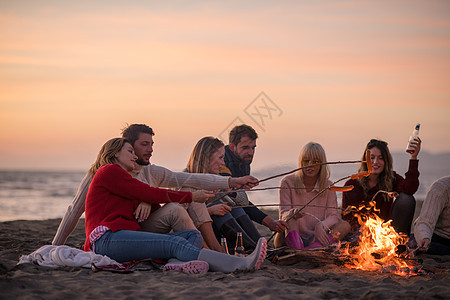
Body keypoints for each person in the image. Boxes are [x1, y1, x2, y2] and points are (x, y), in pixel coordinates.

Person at [84, 137, 268, 274]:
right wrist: (191, 196)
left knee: (191, 235)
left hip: (122, 236)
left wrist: (232, 181)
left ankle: (176, 264)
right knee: (174, 242)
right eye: (130, 152)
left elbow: (148, 195)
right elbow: (149, 192)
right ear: (115, 153)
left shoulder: (124, 178)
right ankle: (238, 264)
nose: (135, 156)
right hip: (106, 239)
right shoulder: (109, 170)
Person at [52, 124, 258, 246]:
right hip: (119, 234)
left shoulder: (152, 171)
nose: (150, 149)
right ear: (127, 146)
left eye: (152, 144)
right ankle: (211, 254)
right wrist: (55, 246)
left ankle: (212, 253)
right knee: (183, 201)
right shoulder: (101, 172)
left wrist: (232, 181)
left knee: (188, 192)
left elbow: (192, 178)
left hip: (147, 228)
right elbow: (74, 210)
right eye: (144, 144)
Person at [182, 136, 263, 252]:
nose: (223, 163)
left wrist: (230, 191)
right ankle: (252, 248)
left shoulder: (217, 178)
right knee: (218, 210)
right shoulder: (186, 180)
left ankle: (257, 244)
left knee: (234, 207)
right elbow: (181, 217)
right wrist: (210, 210)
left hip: (219, 233)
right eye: (220, 158)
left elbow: (244, 202)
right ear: (207, 158)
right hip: (199, 234)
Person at [276, 142, 351, 249]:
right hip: (289, 236)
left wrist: (321, 226)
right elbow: (283, 214)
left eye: (316, 161)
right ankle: (299, 251)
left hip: (316, 237)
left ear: (322, 164)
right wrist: (292, 213)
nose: (310, 165)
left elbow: (333, 216)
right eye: (306, 161)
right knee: (290, 218)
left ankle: (314, 249)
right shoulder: (287, 182)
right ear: (301, 162)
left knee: (345, 225)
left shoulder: (328, 185)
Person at [220, 124, 287, 241]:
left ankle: (256, 245)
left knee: (238, 207)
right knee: (236, 208)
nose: (250, 152)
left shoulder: (243, 162)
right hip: (212, 206)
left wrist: (271, 222)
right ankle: (257, 245)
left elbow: (240, 200)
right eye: (245, 148)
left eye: (253, 147)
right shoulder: (223, 162)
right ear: (232, 147)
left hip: (230, 205)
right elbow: (236, 198)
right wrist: (269, 222)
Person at [341, 138, 421, 236]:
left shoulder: (392, 179)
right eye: (372, 157)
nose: (375, 162)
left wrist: (413, 157)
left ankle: (399, 243)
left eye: (380, 158)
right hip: (360, 235)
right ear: (365, 160)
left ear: (386, 161)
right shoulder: (352, 185)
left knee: (406, 199)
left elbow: (410, 189)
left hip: (386, 234)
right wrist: (363, 230)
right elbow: (346, 217)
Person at [413, 175, 450, 255]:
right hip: (438, 237)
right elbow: (425, 221)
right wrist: (424, 237)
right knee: (412, 243)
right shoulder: (441, 188)